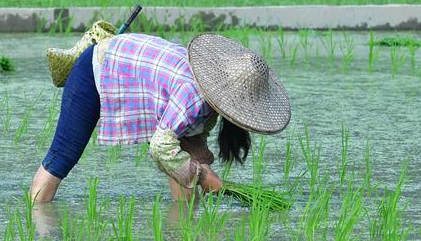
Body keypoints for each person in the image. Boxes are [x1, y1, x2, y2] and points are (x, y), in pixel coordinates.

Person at [29, 33, 291, 202]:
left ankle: (184, 231)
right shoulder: (194, 95)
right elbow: (161, 147)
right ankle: (38, 231)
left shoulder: (211, 100)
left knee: (185, 168)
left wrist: (201, 170)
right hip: (98, 68)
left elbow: (186, 144)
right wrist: (202, 177)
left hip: (138, 72)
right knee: (62, 157)